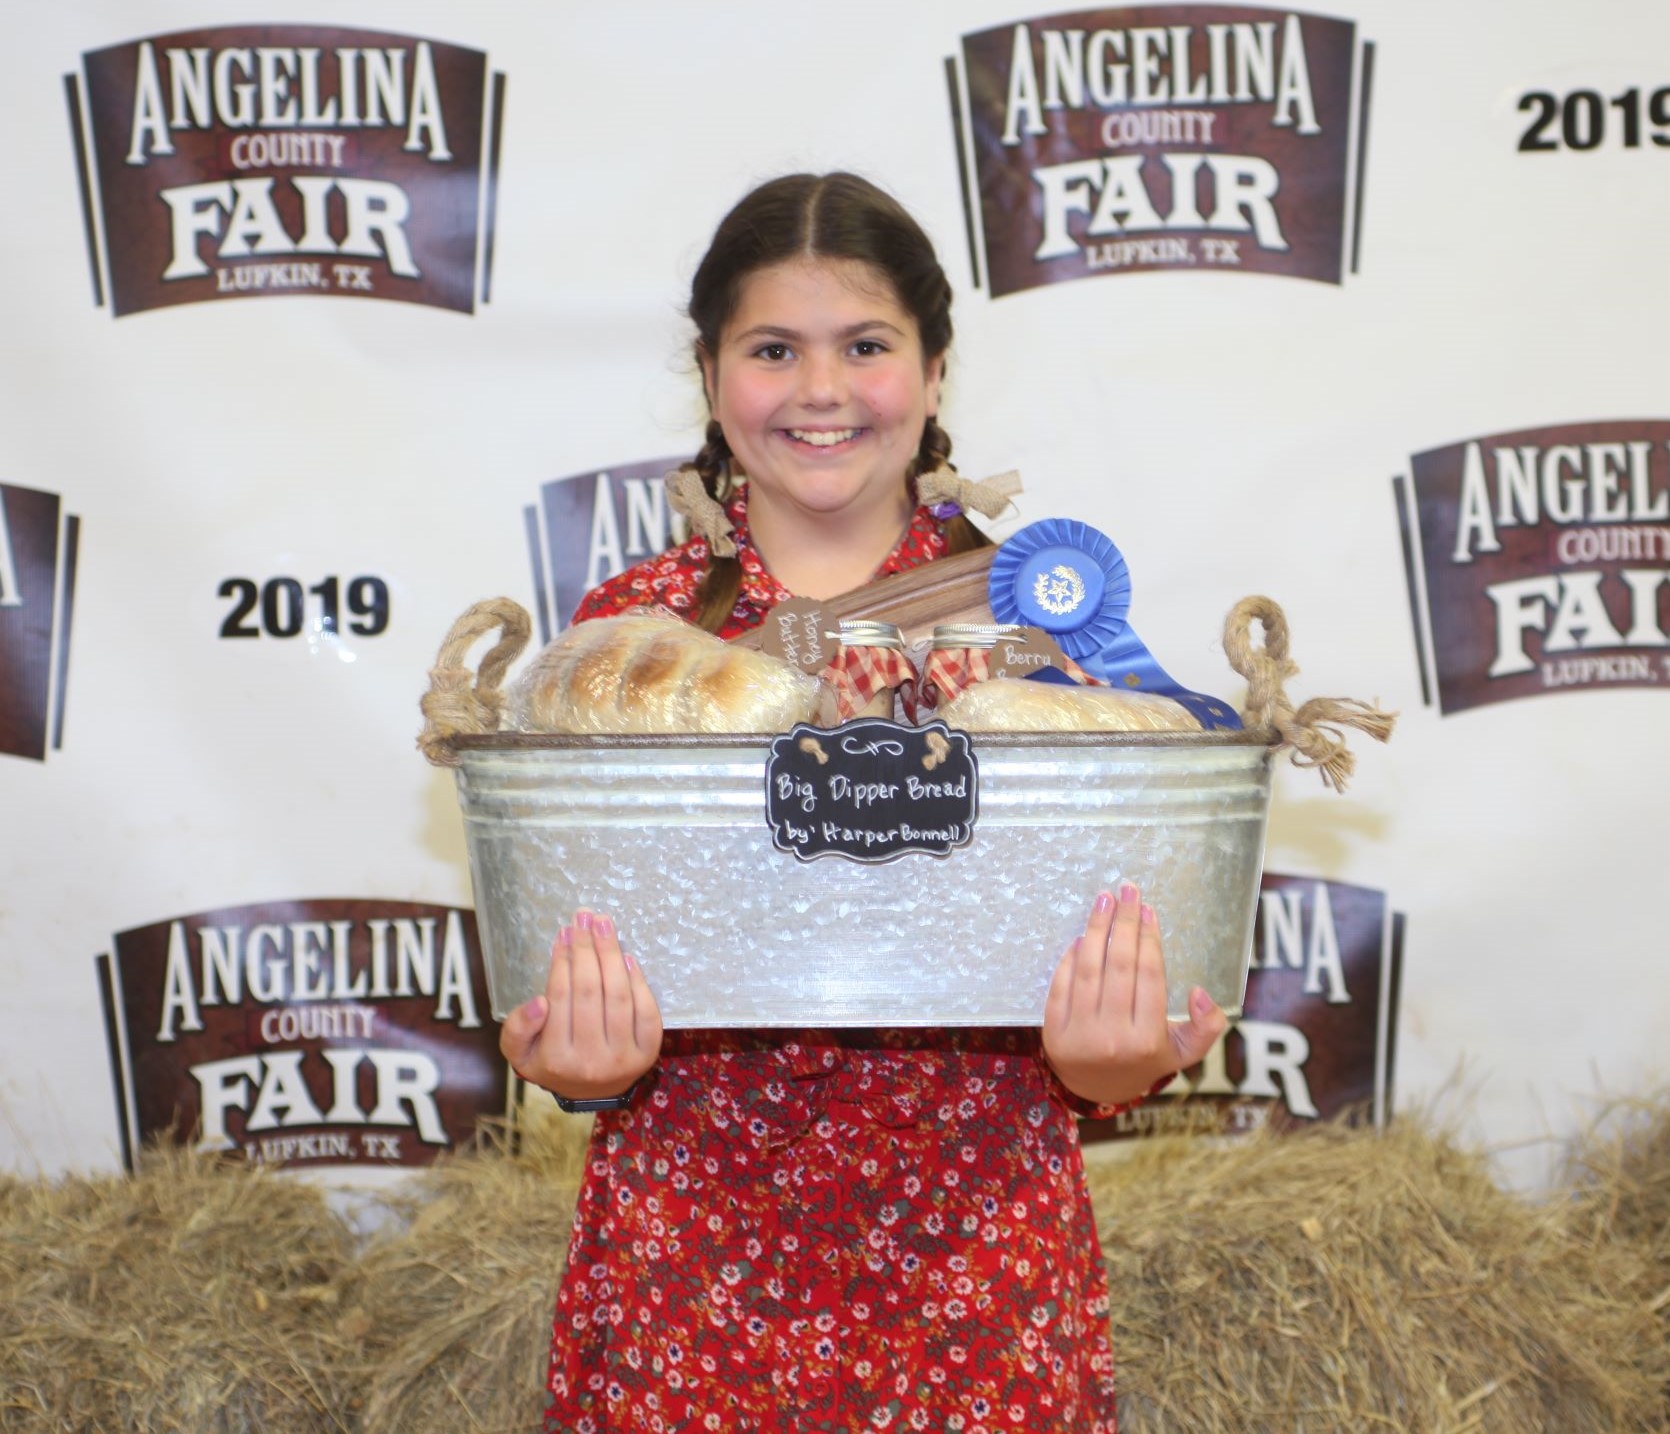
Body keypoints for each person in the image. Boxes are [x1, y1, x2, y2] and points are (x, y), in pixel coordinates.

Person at [499, 171, 1227, 1434]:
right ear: (712, 374)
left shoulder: (1038, 619)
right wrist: (581, 1072)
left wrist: (1114, 1065)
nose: (821, 391)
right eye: (773, 348)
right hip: (689, 1268)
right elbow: (580, 966)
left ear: (935, 371)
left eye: (867, 347)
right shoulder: (629, 639)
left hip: (977, 1266)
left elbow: (1113, 948)